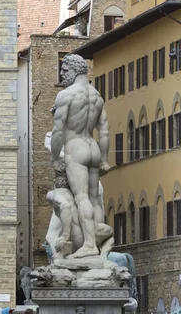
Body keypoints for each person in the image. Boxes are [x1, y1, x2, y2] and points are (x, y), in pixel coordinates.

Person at [51, 54, 110, 258]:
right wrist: (103, 159)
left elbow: (58, 131)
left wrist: (53, 155)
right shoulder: (97, 96)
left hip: (75, 147)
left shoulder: (66, 95)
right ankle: (98, 245)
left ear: (75, 69)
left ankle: (89, 245)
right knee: (95, 199)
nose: (62, 73)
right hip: (92, 147)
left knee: (81, 197)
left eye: (65, 70)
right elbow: (104, 131)